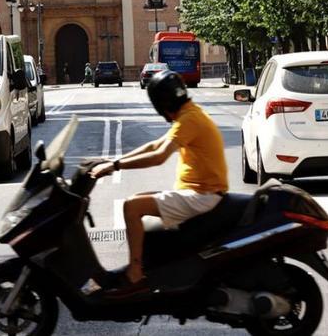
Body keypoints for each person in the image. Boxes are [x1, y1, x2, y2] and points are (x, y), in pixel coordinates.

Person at [90, 70, 227, 291]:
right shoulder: (190, 113)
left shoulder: (189, 119)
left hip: (202, 196)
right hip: (200, 192)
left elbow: (159, 156)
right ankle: (149, 266)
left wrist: (115, 167)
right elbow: (155, 145)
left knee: (132, 207)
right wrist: (114, 161)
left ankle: (134, 273)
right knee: (138, 199)